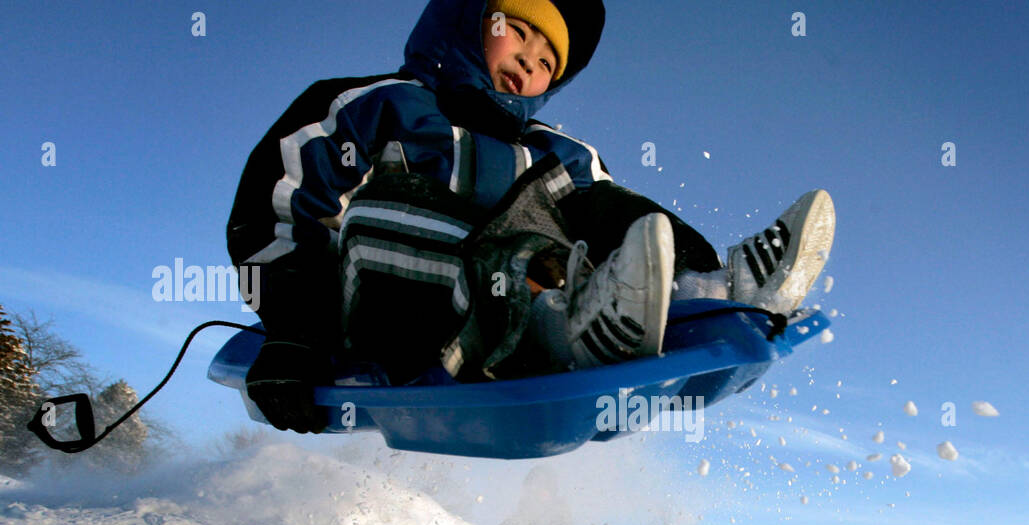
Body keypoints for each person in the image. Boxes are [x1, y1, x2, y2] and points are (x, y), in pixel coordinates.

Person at [227, 0, 834, 434]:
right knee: (397, 208)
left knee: (594, 204)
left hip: (516, 310)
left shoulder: (556, 152)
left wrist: (680, 267)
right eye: (516, 30)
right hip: (379, 316)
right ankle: (552, 323)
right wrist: (293, 333)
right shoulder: (380, 105)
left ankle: (712, 290)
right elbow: (278, 210)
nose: (529, 61)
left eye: (548, 61)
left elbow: (630, 228)